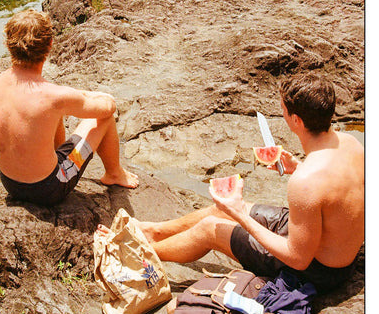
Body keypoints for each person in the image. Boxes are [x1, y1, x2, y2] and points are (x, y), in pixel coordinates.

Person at [131, 71, 364, 293]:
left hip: (319, 271)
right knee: (219, 210)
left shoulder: (306, 182)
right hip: (328, 243)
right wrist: (297, 167)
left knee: (210, 228)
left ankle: (141, 252)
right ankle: (153, 231)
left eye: (283, 110)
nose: (281, 114)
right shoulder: (351, 144)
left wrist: (239, 215)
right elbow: (332, 194)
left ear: (296, 120)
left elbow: (298, 258)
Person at [0, 9, 138, 206]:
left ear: (8, 45)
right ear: (50, 44)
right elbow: (107, 108)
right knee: (102, 119)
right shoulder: (54, 97)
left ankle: (60, 153)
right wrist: (102, 96)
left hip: (10, 183)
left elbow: (56, 99)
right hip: (48, 188)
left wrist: (75, 96)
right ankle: (114, 173)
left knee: (54, 114)